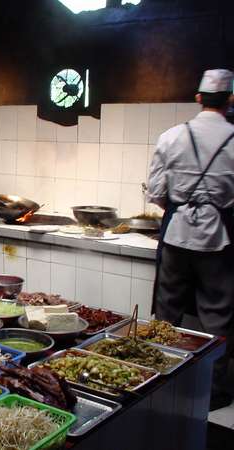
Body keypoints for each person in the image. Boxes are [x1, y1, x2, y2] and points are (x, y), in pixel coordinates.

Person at [147, 69, 234, 411]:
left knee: (167, 312)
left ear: (198, 98)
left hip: (176, 234)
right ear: (229, 100)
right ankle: (212, 391)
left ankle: (161, 379)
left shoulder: (171, 137)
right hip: (220, 239)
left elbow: (155, 191)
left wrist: (181, 207)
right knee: (217, 316)